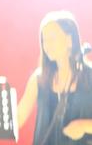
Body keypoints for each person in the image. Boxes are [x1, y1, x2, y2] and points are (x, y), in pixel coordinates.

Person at [16, 10, 92, 144]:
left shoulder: (89, 76)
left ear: (69, 40)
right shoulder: (39, 79)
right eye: (44, 40)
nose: (47, 45)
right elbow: (18, 118)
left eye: (52, 38)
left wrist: (83, 125)